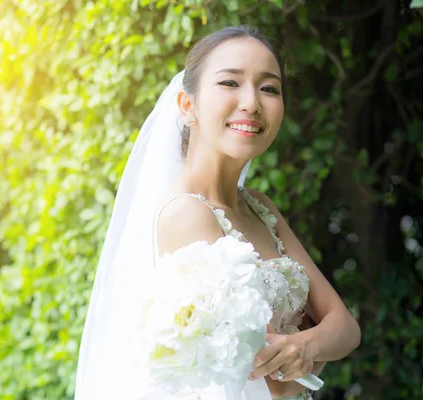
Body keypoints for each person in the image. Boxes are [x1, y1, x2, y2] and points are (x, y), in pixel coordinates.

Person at [75, 25, 361, 400]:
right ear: (187, 105)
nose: (251, 102)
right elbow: (274, 383)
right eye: (230, 83)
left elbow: (347, 328)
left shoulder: (259, 206)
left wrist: (304, 348)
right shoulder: (186, 216)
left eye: (269, 88)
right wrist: (315, 343)